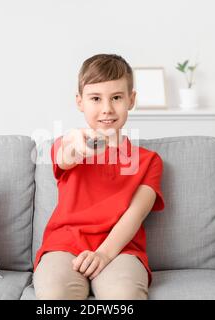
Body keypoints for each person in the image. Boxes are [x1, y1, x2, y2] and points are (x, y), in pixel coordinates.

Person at [33, 53, 165, 300]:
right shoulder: (67, 144)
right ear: (80, 101)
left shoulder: (150, 161)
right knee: (54, 295)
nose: (107, 109)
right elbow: (66, 155)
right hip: (63, 247)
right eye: (95, 98)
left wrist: (103, 254)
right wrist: (74, 141)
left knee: (124, 296)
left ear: (131, 99)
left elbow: (134, 215)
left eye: (116, 97)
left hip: (121, 251)